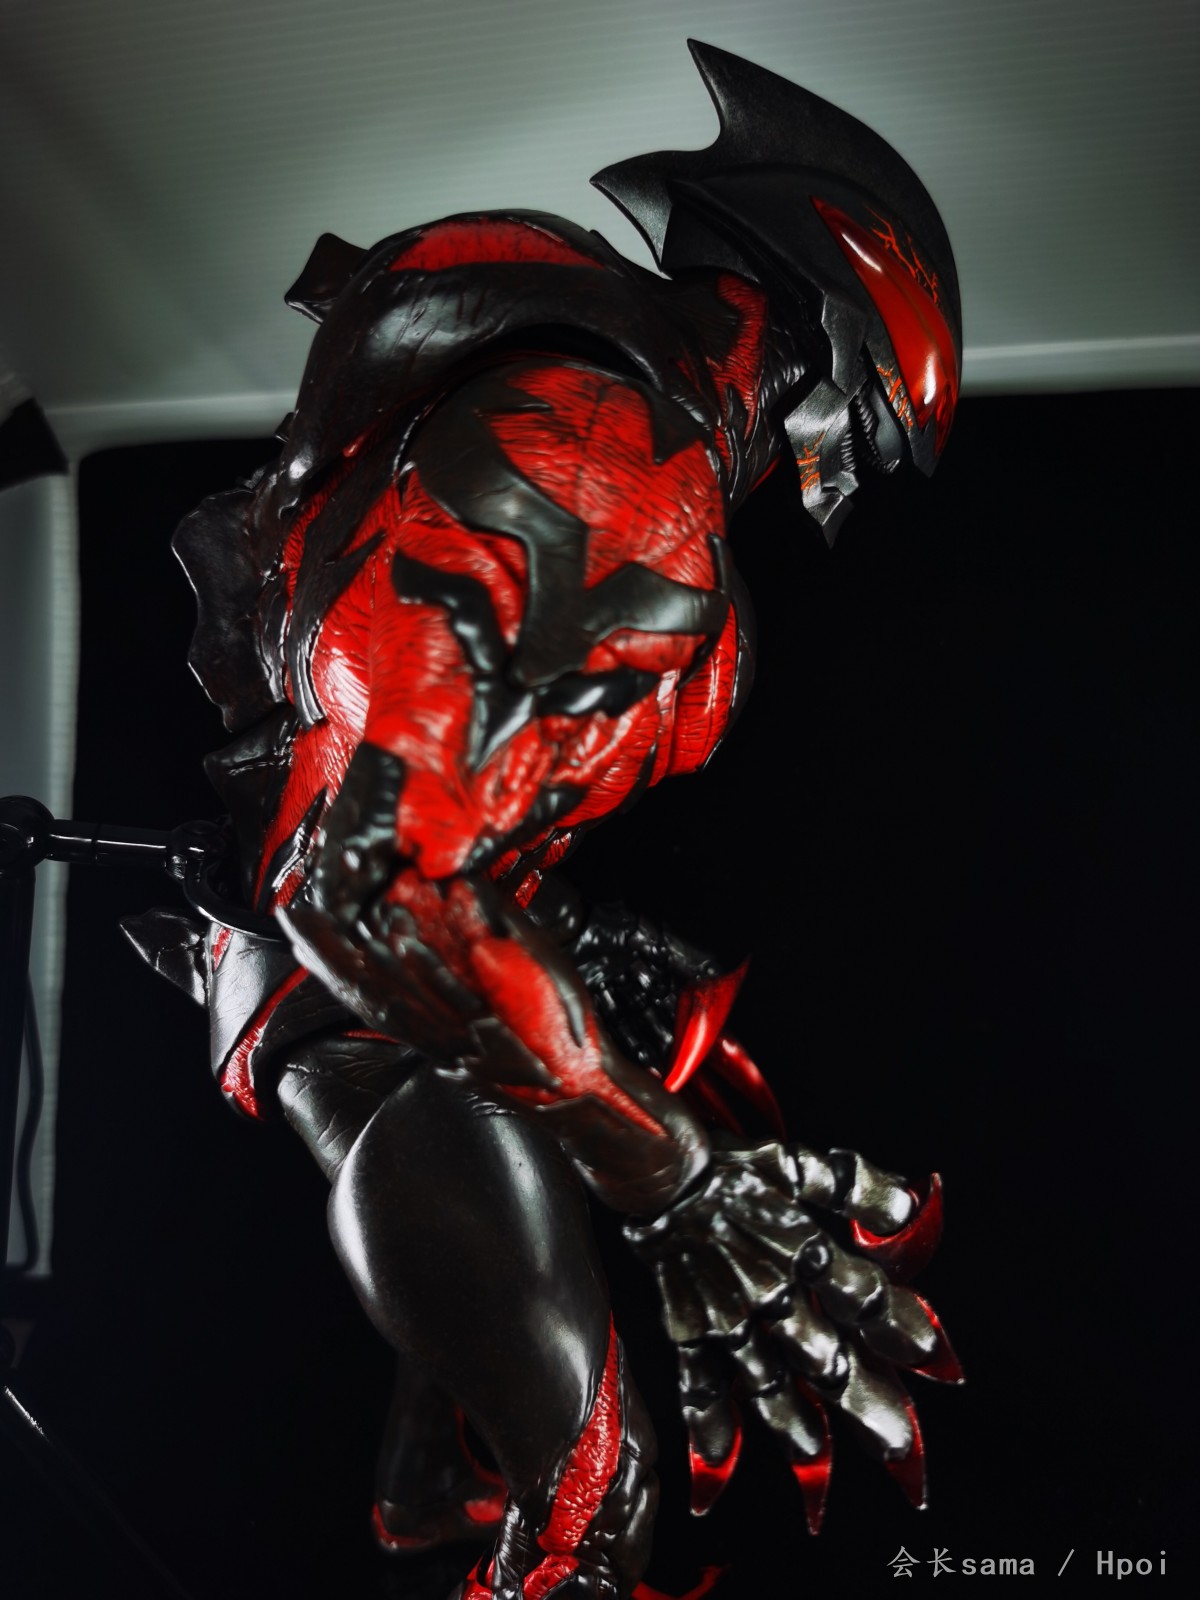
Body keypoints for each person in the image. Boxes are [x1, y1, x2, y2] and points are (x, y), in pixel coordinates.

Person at [128, 42, 963, 1600]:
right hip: (366, 1009)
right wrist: (676, 1179)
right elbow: (375, 880)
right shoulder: (614, 458)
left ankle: (432, 1465)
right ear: (839, 349)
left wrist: (568, 936)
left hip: (349, 997)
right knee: (598, 1519)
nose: (844, 479)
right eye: (863, 433)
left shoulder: (589, 414)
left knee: (477, 1481)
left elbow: (423, 791)